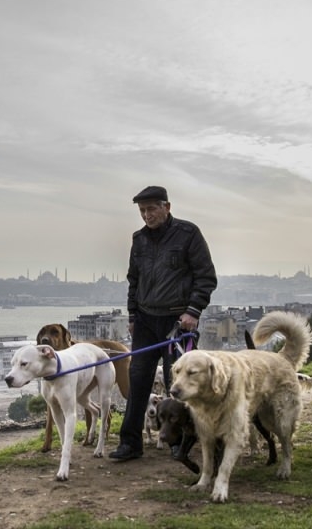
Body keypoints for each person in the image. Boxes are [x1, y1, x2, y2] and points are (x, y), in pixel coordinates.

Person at [109, 185, 218, 462]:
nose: (147, 215)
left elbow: (206, 277)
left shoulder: (188, 234)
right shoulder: (139, 239)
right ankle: (130, 444)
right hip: (145, 321)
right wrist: (132, 315)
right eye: (142, 211)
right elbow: (133, 280)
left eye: (152, 209)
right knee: (138, 381)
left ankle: (178, 443)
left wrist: (193, 312)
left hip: (177, 323)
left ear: (166, 207)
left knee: (177, 385)